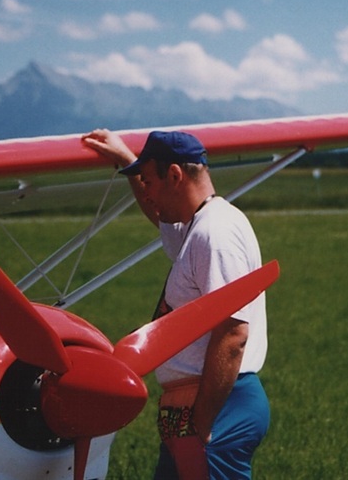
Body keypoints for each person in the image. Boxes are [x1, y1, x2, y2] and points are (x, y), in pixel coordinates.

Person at [81, 129, 270, 480]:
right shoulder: (199, 226)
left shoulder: (215, 235)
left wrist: (201, 422)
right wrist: (127, 159)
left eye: (149, 180)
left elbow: (233, 333)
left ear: (175, 176)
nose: (146, 191)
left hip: (217, 405)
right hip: (198, 404)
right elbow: (161, 218)